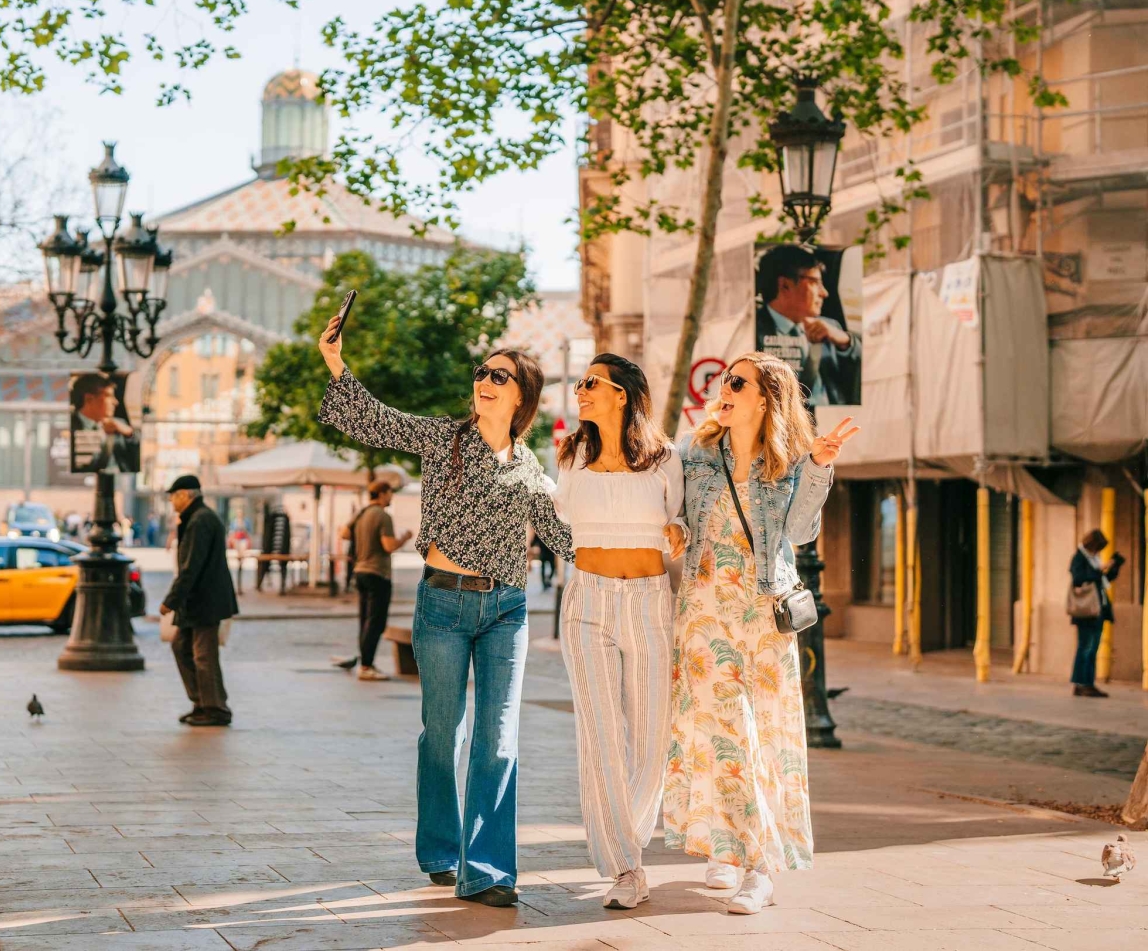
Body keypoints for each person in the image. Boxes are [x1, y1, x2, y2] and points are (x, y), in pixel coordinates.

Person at [316, 316, 573, 908]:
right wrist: (334, 361)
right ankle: (439, 849)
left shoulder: (530, 466)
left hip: (507, 610)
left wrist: (641, 556)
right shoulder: (443, 439)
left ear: (522, 396)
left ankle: (486, 869)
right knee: (442, 734)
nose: (485, 381)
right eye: (482, 372)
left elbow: (563, 538)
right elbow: (373, 419)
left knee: (498, 739)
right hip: (442, 605)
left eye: (500, 376)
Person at [663, 352, 858, 915]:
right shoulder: (695, 451)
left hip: (762, 615)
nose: (723, 388)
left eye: (737, 382)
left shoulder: (791, 461)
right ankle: (725, 849)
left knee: (758, 736)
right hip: (704, 612)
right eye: (724, 380)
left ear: (766, 398)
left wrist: (818, 467)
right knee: (715, 735)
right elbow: (680, 515)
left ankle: (760, 867)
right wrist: (675, 530)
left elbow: (800, 531)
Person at [550, 354, 685, 910]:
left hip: (649, 601)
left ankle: (630, 835)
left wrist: (678, 529)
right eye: (579, 383)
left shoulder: (664, 457)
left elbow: (679, 519)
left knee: (652, 738)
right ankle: (626, 866)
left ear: (622, 394)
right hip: (587, 602)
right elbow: (560, 519)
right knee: (601, 736)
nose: (579, 390)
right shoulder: (570, 455)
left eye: (591, 383)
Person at [161, 475, 238, 727]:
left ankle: (215, 708)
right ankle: (202, 703)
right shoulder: (196, 518)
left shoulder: (200, 520)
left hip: (205, 599)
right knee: (181, 647)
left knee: (204, 655)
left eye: (174, 496)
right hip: (197, 600)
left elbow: (191, 566)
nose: (171, 501)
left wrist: (171, 600)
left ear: (186, 494)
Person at [755, 245, 860, 406]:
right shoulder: (752, 332)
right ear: (785, 285)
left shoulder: (830, 327)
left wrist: (846, 342)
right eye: (815, 283)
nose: (824, 293)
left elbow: (868, 371)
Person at [332, 481, 413, 680]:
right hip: (378, 573)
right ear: (383, 493)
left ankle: (365, 662)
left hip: (360, 572)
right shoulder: (383, 516)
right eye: (390, 493)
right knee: (376, 622)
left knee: (365, 621)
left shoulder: (362, 513)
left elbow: (343, 533)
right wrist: (405, 538)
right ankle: (366, 666)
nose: (391, 497)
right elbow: (388, 545)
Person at [1069, 528, 1125, 698]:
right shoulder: (1079, 558)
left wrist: (1114, 566)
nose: (1098, 551)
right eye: (1097, 548)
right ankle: (1082, 684)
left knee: (1092, 648)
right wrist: (1100, 569)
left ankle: (1087, 683)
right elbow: (1078, 578)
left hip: (1098, 609)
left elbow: (1103, 581)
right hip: (1086, 611)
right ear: (1091, 545)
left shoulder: (1094, 560)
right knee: (1085, 647)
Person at [71, 373, 140, 473]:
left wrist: (129, 433)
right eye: (109, 396)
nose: (115, 402)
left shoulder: (119, 425)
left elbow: (139, 458)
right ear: (89, 399)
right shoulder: (69, 428)